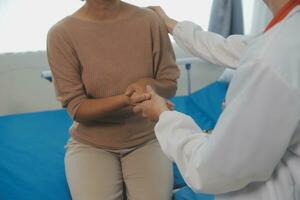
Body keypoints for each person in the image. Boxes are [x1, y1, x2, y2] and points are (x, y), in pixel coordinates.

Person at [134, 0, 300, 199]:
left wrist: (164, 116)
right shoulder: (286, 34)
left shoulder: (270, 58)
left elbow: (209, 170)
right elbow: (234, 47)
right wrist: (173, 25)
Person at [46, 0, 180, 199]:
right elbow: (77, 109)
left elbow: (169, 84)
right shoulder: (61, 34)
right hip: (92, 145)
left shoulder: (149, 21)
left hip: (147, 139)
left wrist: (147, 83)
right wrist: (126, 99)